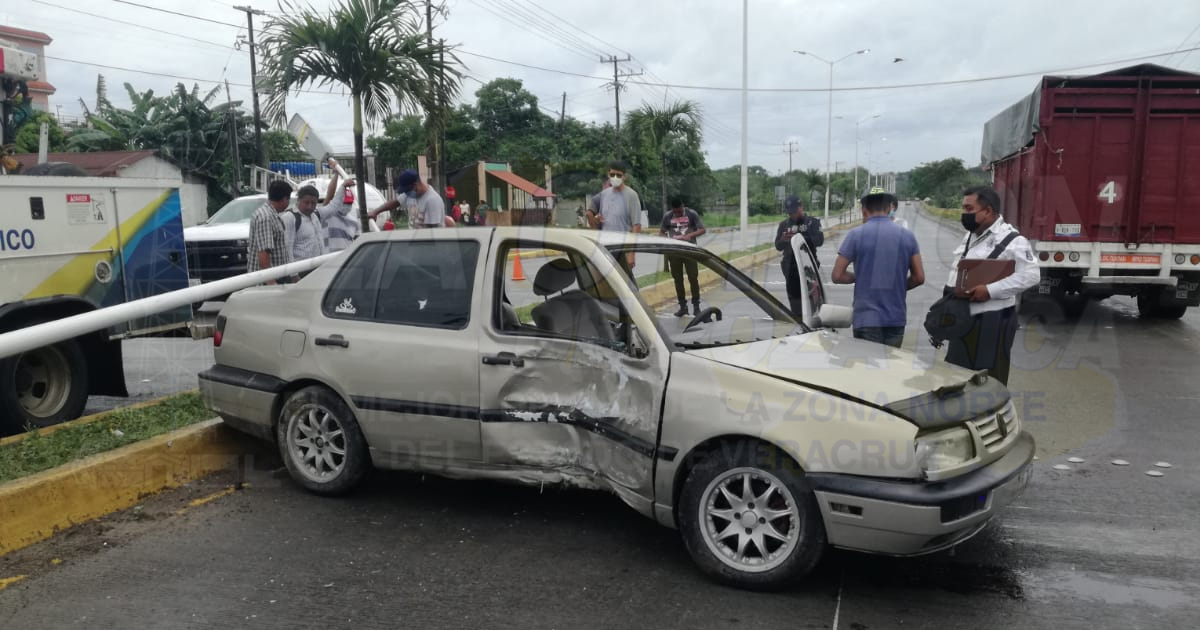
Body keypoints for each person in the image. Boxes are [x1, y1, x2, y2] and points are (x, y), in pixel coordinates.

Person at [942, 185, 1040, 384]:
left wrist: (990, 290)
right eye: (963, 208)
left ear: (987, 211)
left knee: (990, 381)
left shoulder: (1013, 240)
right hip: (963, 318)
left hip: (992, 321)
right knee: (958, 377)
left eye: (969, 209)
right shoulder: (972, 235)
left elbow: (1031, 275)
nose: (964, 214)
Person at [830, 191, 925, 348]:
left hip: (866, 319)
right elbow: (919, 277)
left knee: (869, 369)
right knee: (889, 368)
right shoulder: (908, 237)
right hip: (895, 319)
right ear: (889, 209)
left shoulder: (855, 235)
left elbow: (837, 275)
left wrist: (858, 277)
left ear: (863, 210)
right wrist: (898, 286)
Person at [775, 196, 824, 315]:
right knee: (795, 304)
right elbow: (778, 246)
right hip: (790, 269)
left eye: (795, 212)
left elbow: (819, 241)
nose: (793, 215)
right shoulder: (784, 225)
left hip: (809, 269)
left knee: (812, 303)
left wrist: (800, 237)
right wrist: (783, 239)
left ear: (801, 207)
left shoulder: (813, 222)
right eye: (790, 213)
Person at [659, 198, 707, 316]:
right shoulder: (668, 216)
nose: (678, 214)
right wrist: (667, 239)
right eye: (676, 212)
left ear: (683, 206)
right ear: (672, 209)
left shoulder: (691, 214)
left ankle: (696, 306)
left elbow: (702, 229)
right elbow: (661, 232)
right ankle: (683, 306)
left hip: (690, 250)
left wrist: (689, 236)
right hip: (674, 252)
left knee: (693, 277)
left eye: (680, 212)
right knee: (678, 280)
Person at [593, 161, 642, 273]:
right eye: (612, 174)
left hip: (623, 248)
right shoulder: (604, 194)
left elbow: (636, 225)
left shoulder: (631, 195)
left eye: (619, 175)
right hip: (606, 247)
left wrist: (631, 253)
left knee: (625, 283)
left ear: (624, 176)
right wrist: (597, 220)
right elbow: (602, 219)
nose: (615, 177)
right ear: (608, 174)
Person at [247, 180, 295, 284]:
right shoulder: (266, 217)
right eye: (288, 199)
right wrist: (272, 284)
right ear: (284, 199)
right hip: (269, 280)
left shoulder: (272, 214)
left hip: (278, 275)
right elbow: (264, 254)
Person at [368, 169, 445, 229]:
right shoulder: (410, 194)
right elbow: (395, 203)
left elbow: (432, 231)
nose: (405, 193)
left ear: (415, 185)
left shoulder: (432, 200)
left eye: (406, 191)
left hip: (428, 244)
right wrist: (375, 212)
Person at [316, 164, 360, 252]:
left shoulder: (354, 219)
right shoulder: (329, 214)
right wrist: (336, 174)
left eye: (349, 203)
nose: (346, 206)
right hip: (326, 258)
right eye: (344, 202)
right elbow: (329, 195)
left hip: (345, 258)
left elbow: (357, 239)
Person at [286, 185, 327, 263]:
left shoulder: (315, 216)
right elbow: (287, 249)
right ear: (298, 200)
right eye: (306, 202)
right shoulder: (290, 217)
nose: (309, 206)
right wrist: (293, 274)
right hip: (301, 270)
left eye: (313, 203)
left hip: (317, 267)